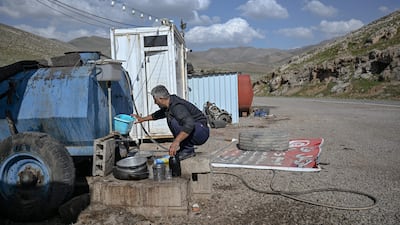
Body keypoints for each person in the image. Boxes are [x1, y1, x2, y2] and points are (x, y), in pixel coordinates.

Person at [132, 85, 209, 160]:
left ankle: (187, 150)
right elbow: (158, 114)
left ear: (161, 98)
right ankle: (185, 149)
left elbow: (189, 124)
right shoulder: (170, 103)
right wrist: (142, 119)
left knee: (174, 121)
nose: (155, 102)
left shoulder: (177, 107)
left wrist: (176, 142)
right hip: (197, 129)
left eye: (155, 100)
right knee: (172, 119)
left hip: (201, 131)